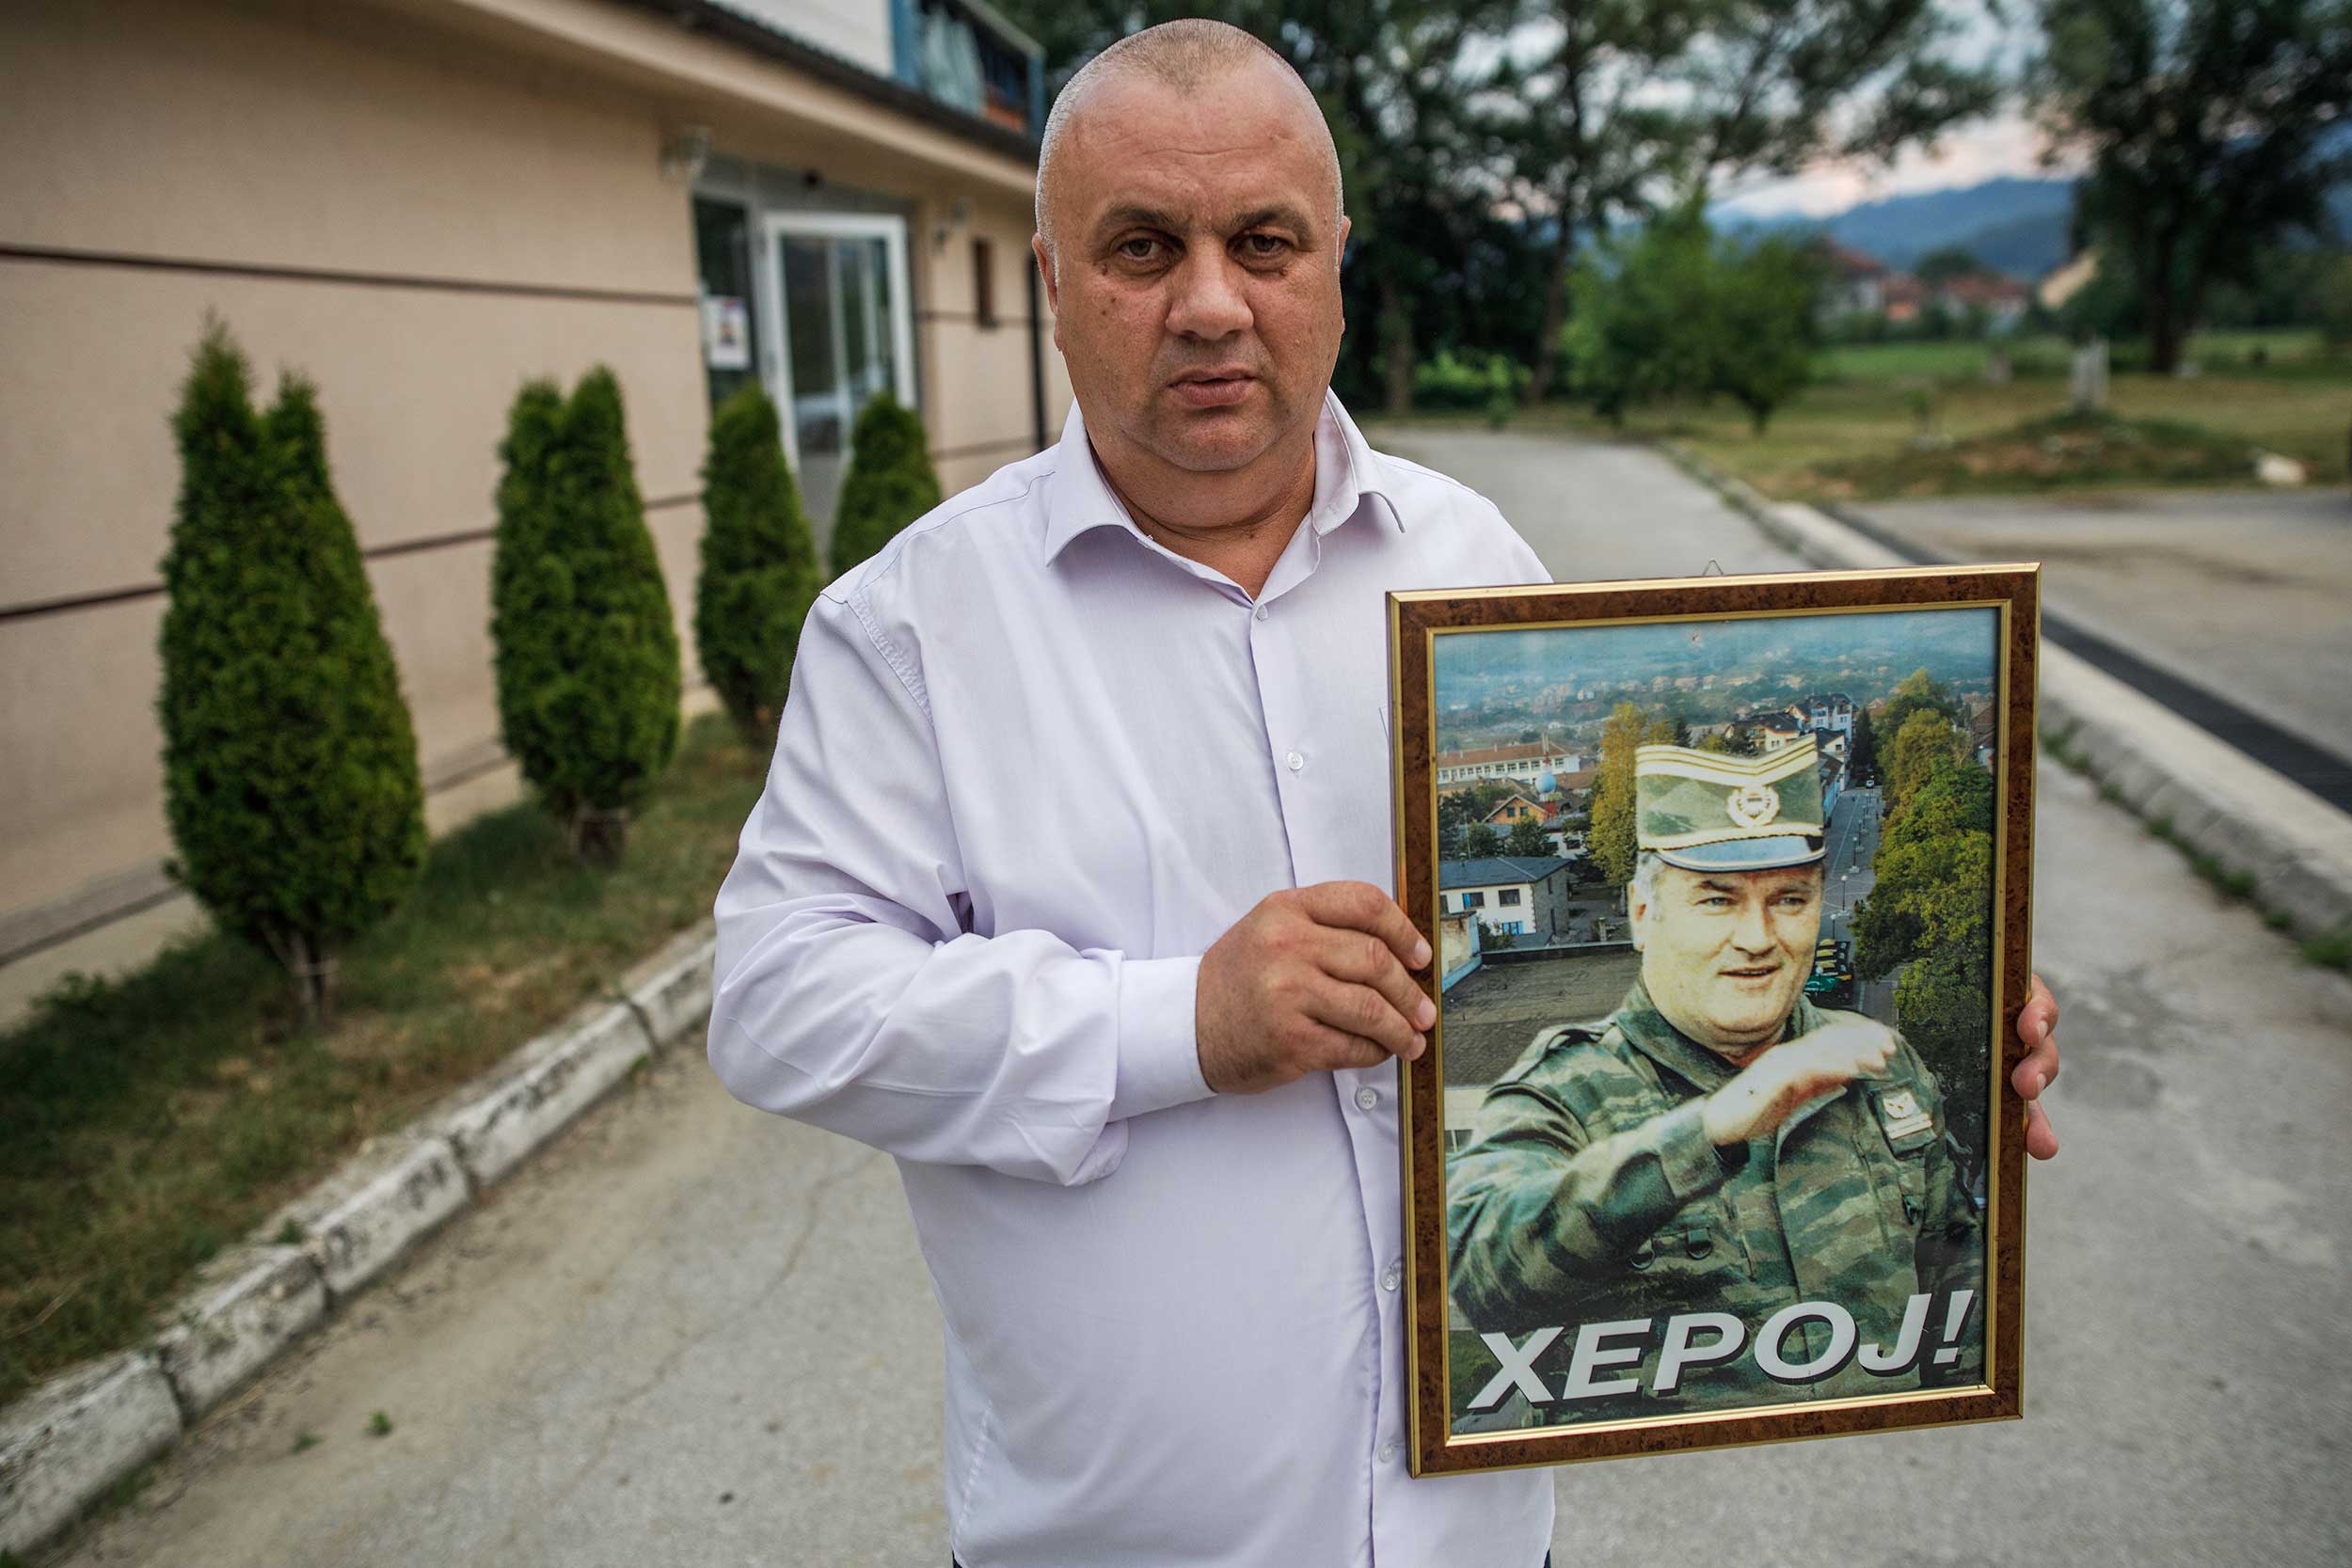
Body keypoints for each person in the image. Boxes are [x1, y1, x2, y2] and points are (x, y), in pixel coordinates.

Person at [707, 21, 2062, 1567]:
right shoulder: (910, 630)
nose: (1211, 302)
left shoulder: (1471, 562)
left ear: (1335, 266)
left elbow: (1670, 1002)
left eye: (1263, 242)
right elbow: (779, 1000)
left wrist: (1951, 1042)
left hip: (1480, 1533)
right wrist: (1177, 1024)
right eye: (1142, 246)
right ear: (1053, 282)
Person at [1448, 738, 1982, 1428]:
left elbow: (1956, 1286)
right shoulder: (1563, 1092)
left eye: (1789, 897)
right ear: (1643, 914)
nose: (1758, 936)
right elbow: (1484, 1277)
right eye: (1716, 899)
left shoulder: (1879, 1063)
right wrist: (1707, 1132)